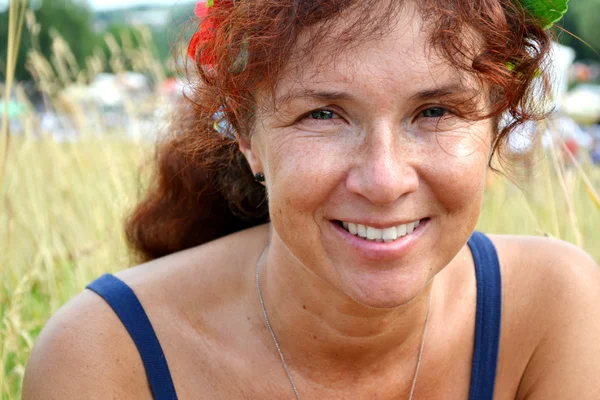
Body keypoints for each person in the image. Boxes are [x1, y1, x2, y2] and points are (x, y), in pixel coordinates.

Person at [23, 0, 600, 399]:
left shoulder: (555, 310)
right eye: (323, 114)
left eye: (435, 112)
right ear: (248, 137)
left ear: (495, 124)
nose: (383, 179)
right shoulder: (105, 355)